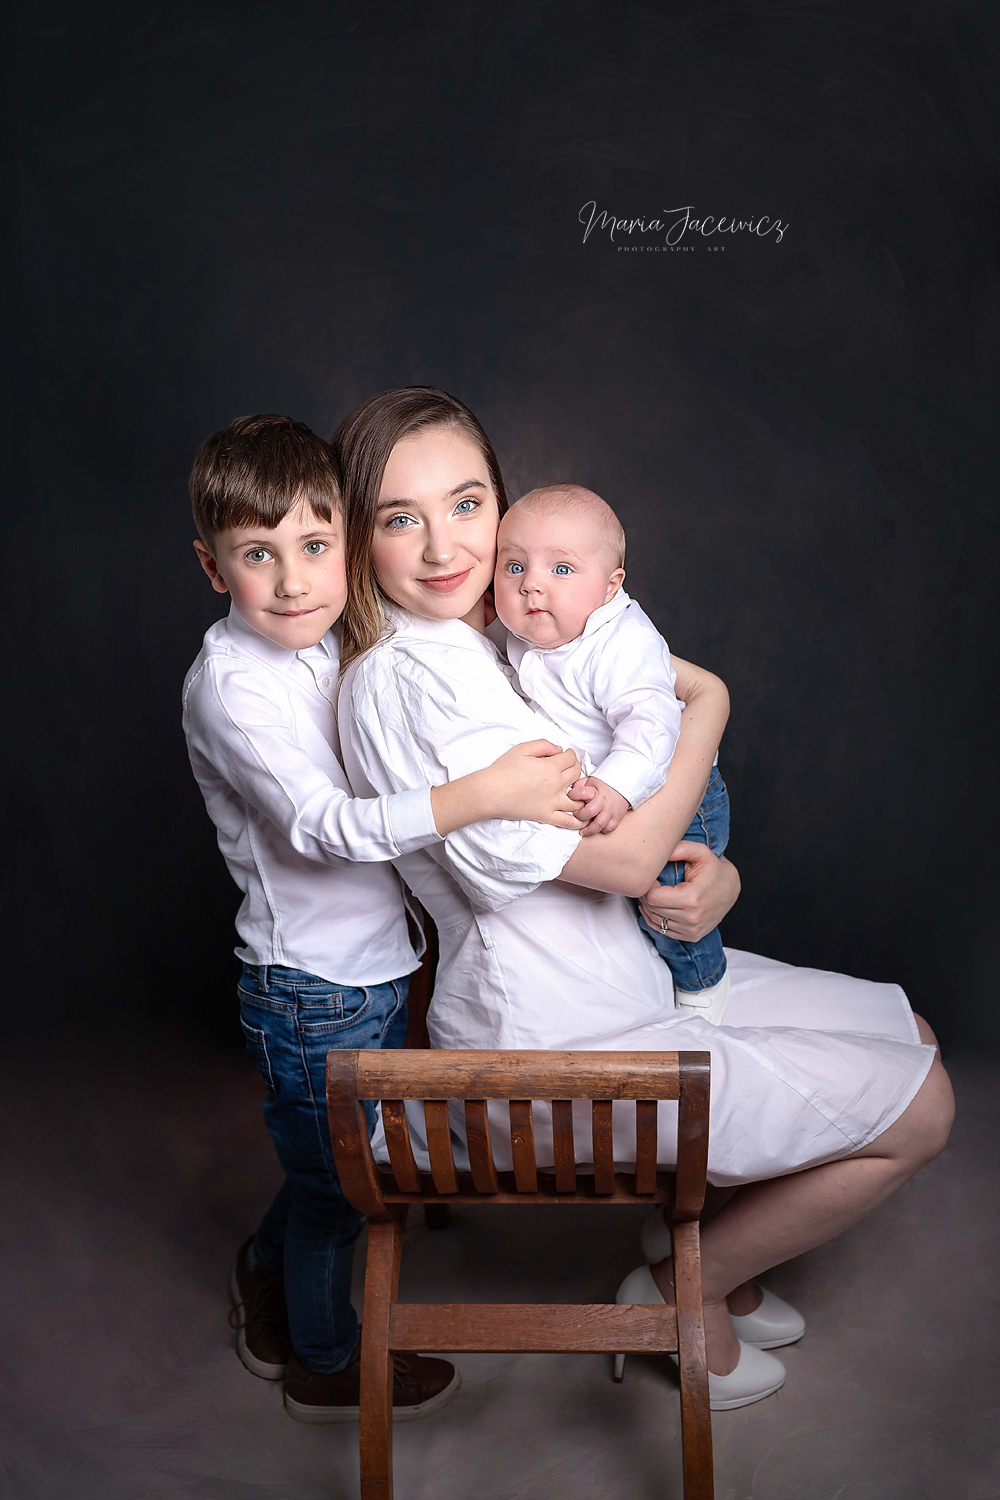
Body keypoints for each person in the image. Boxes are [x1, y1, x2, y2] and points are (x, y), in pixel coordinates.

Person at [333, 385, 954, 1412]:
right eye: (401, 518)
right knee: (923, 1107)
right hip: (549, 1050)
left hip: (626, 973)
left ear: (503, 505)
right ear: (360, 536)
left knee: (911, 1038)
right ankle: (684, 1289)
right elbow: (633, 842)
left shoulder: (502, 623)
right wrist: (711, 710)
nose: (445, 547)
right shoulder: (413, 681)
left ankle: (716, 1260)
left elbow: (652, 715)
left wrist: (720, 872)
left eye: (467, 504)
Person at [182, 413, 584, 1423]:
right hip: (309, 989)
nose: (294, 582)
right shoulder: (232, 688)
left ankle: (266, 1266)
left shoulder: (331, 637)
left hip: (378, 966)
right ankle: (324, 1362)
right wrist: (484, 794)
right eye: (258, 556)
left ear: (347, 543)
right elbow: (325, 827)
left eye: (315, 546)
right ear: (212, 566)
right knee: (343, 1189)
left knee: (337, 1163)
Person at [492, 481, 731, 1024]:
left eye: (561, 569)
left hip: (678, 789)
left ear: (609, 586)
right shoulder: (531, 628)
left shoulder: (622, 642)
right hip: (614, 788)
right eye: (514, 567)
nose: (532, 585)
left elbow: (652, 727)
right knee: (635, 907)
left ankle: (702, 981)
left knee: (670, 891)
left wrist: (617, 787)